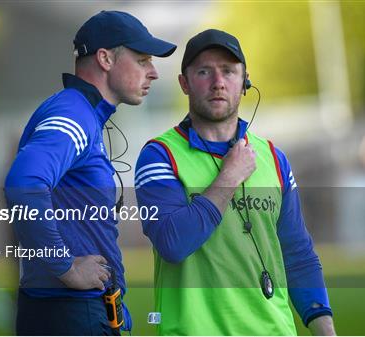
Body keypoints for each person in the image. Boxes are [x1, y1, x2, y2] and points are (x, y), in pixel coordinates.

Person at [135, 29, 336, 335]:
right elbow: (173, 243)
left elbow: (297, 254)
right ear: (184, 84)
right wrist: (229, 177)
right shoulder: (160, 156)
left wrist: (325, 330)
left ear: (245, 82)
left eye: (228, 71)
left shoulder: (273, 158)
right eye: (204, 72)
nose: (218, 83)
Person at [4, 10, 175, 335]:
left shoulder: (83, 112)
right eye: (142, 60)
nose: (153, 72)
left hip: (73, 310)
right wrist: (66, 267)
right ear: (105, 58)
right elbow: (24, 183)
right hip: (68, 311)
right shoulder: (75, 112)